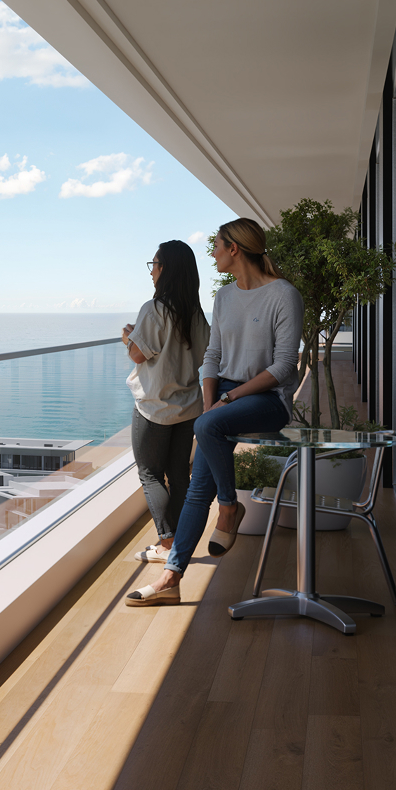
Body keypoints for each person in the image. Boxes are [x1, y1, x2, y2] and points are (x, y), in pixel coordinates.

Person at [129, 219, 303, 606]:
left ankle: (228, 507)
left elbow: (285, 366)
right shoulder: (223, 297)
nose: (213, 253)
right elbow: (212, 356)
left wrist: (226, 402)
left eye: (218, 246)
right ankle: (170, 580)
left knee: (204, 446)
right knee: (195, 491)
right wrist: (211, 402)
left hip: (267, 398)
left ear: (235, 249)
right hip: (223, 396)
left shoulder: (283, 295)